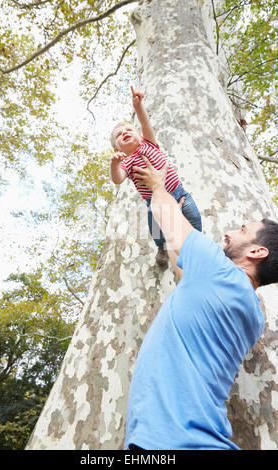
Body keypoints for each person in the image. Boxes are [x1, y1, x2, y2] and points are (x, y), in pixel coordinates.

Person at [124, 155, 278, 451]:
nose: (230, 232)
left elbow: (172, 227)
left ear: (258, 251)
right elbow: (182, 266)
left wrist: (158, 184)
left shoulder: (218, 271)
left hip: (177, 443)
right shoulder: (251, 313)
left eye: (242, 230)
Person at [109, 86, 202, 270]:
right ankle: (161, 248)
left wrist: (138, 106)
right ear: (118, 149)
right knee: (157, 230)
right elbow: (118, 179)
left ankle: (197, 245)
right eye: (119, 135)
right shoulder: (126, 163)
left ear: (139, 136)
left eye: (129, 130)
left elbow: (145, 124)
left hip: (178, 192)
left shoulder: (148, 144)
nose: (125, 133)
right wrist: (114, 164)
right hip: (154, 201)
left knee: (194, 218)